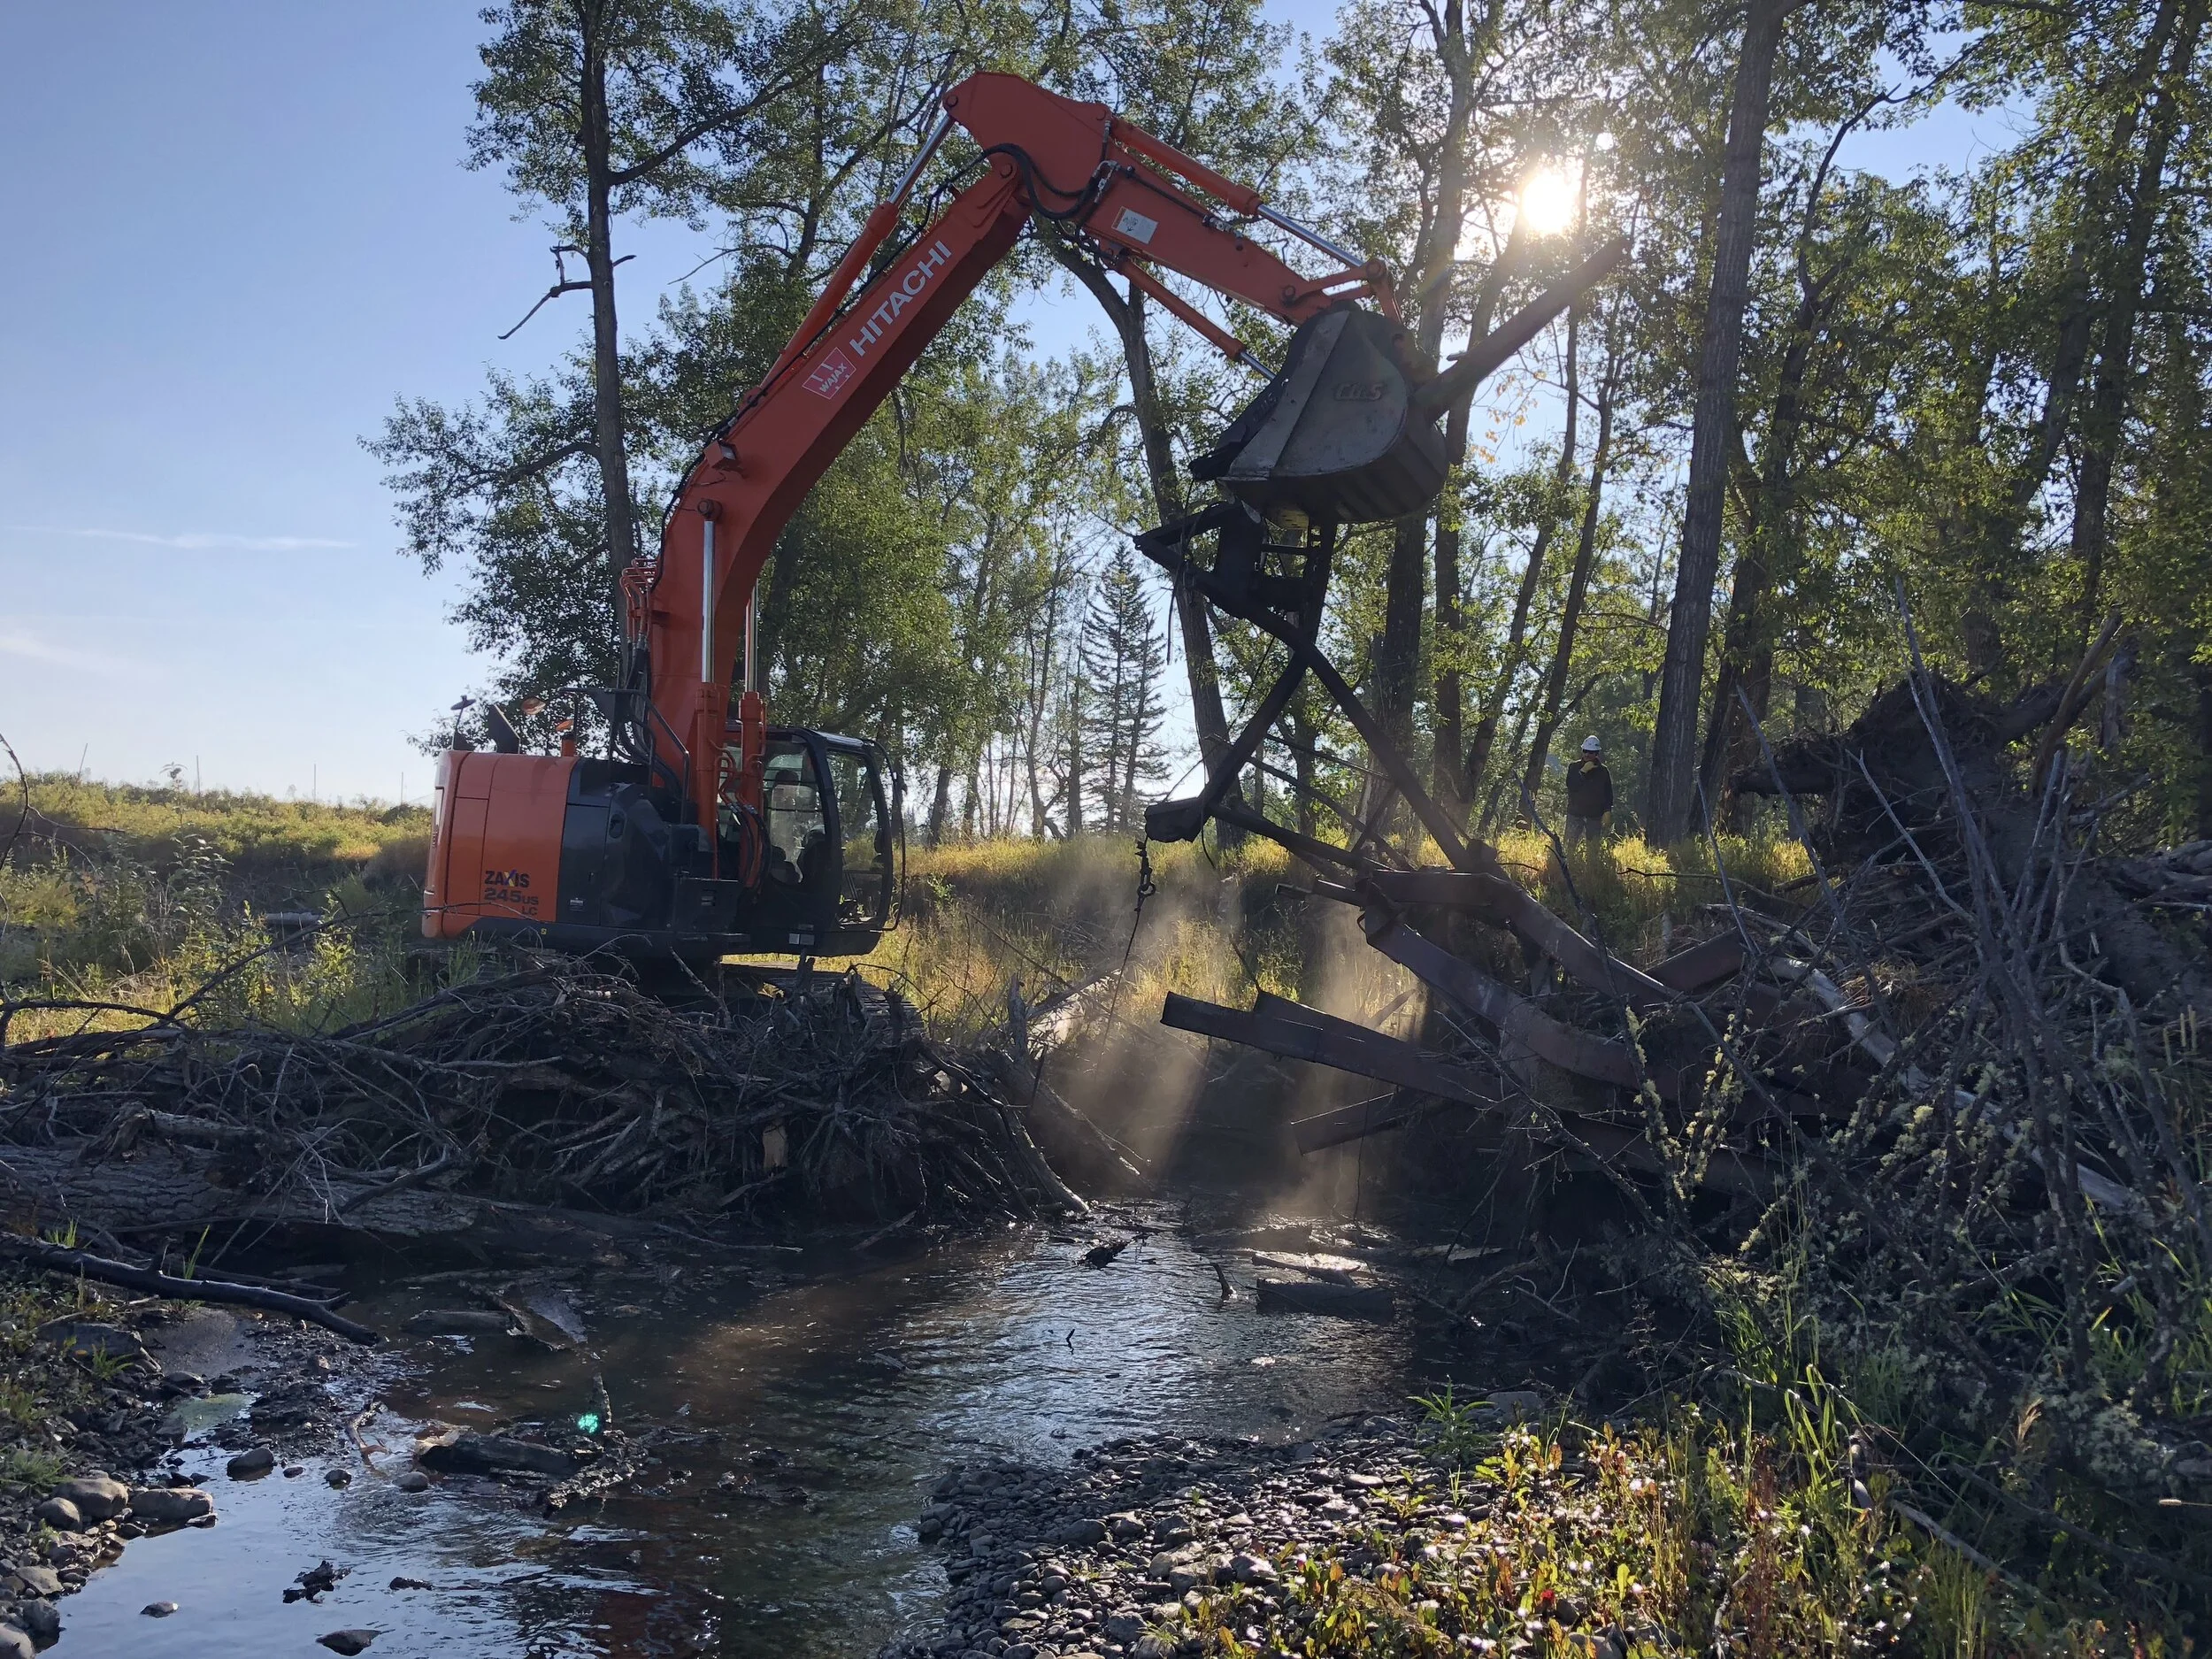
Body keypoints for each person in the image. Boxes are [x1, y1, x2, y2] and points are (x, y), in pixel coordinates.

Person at [1564, 734, 1613, 850]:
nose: (1587, 754)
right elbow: (1571, 786)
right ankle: (1566, 867)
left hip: (1594, 816)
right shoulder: (1574, 767)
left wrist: (1607, 811)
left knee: (1593, 848)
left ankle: (1592, 868)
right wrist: (1583, 772)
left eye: (1590, 752)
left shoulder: (1603, 771)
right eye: (1585, 751)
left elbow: (1608, 793)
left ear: (1596, 754)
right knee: (1569, 847)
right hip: (1575, 814)